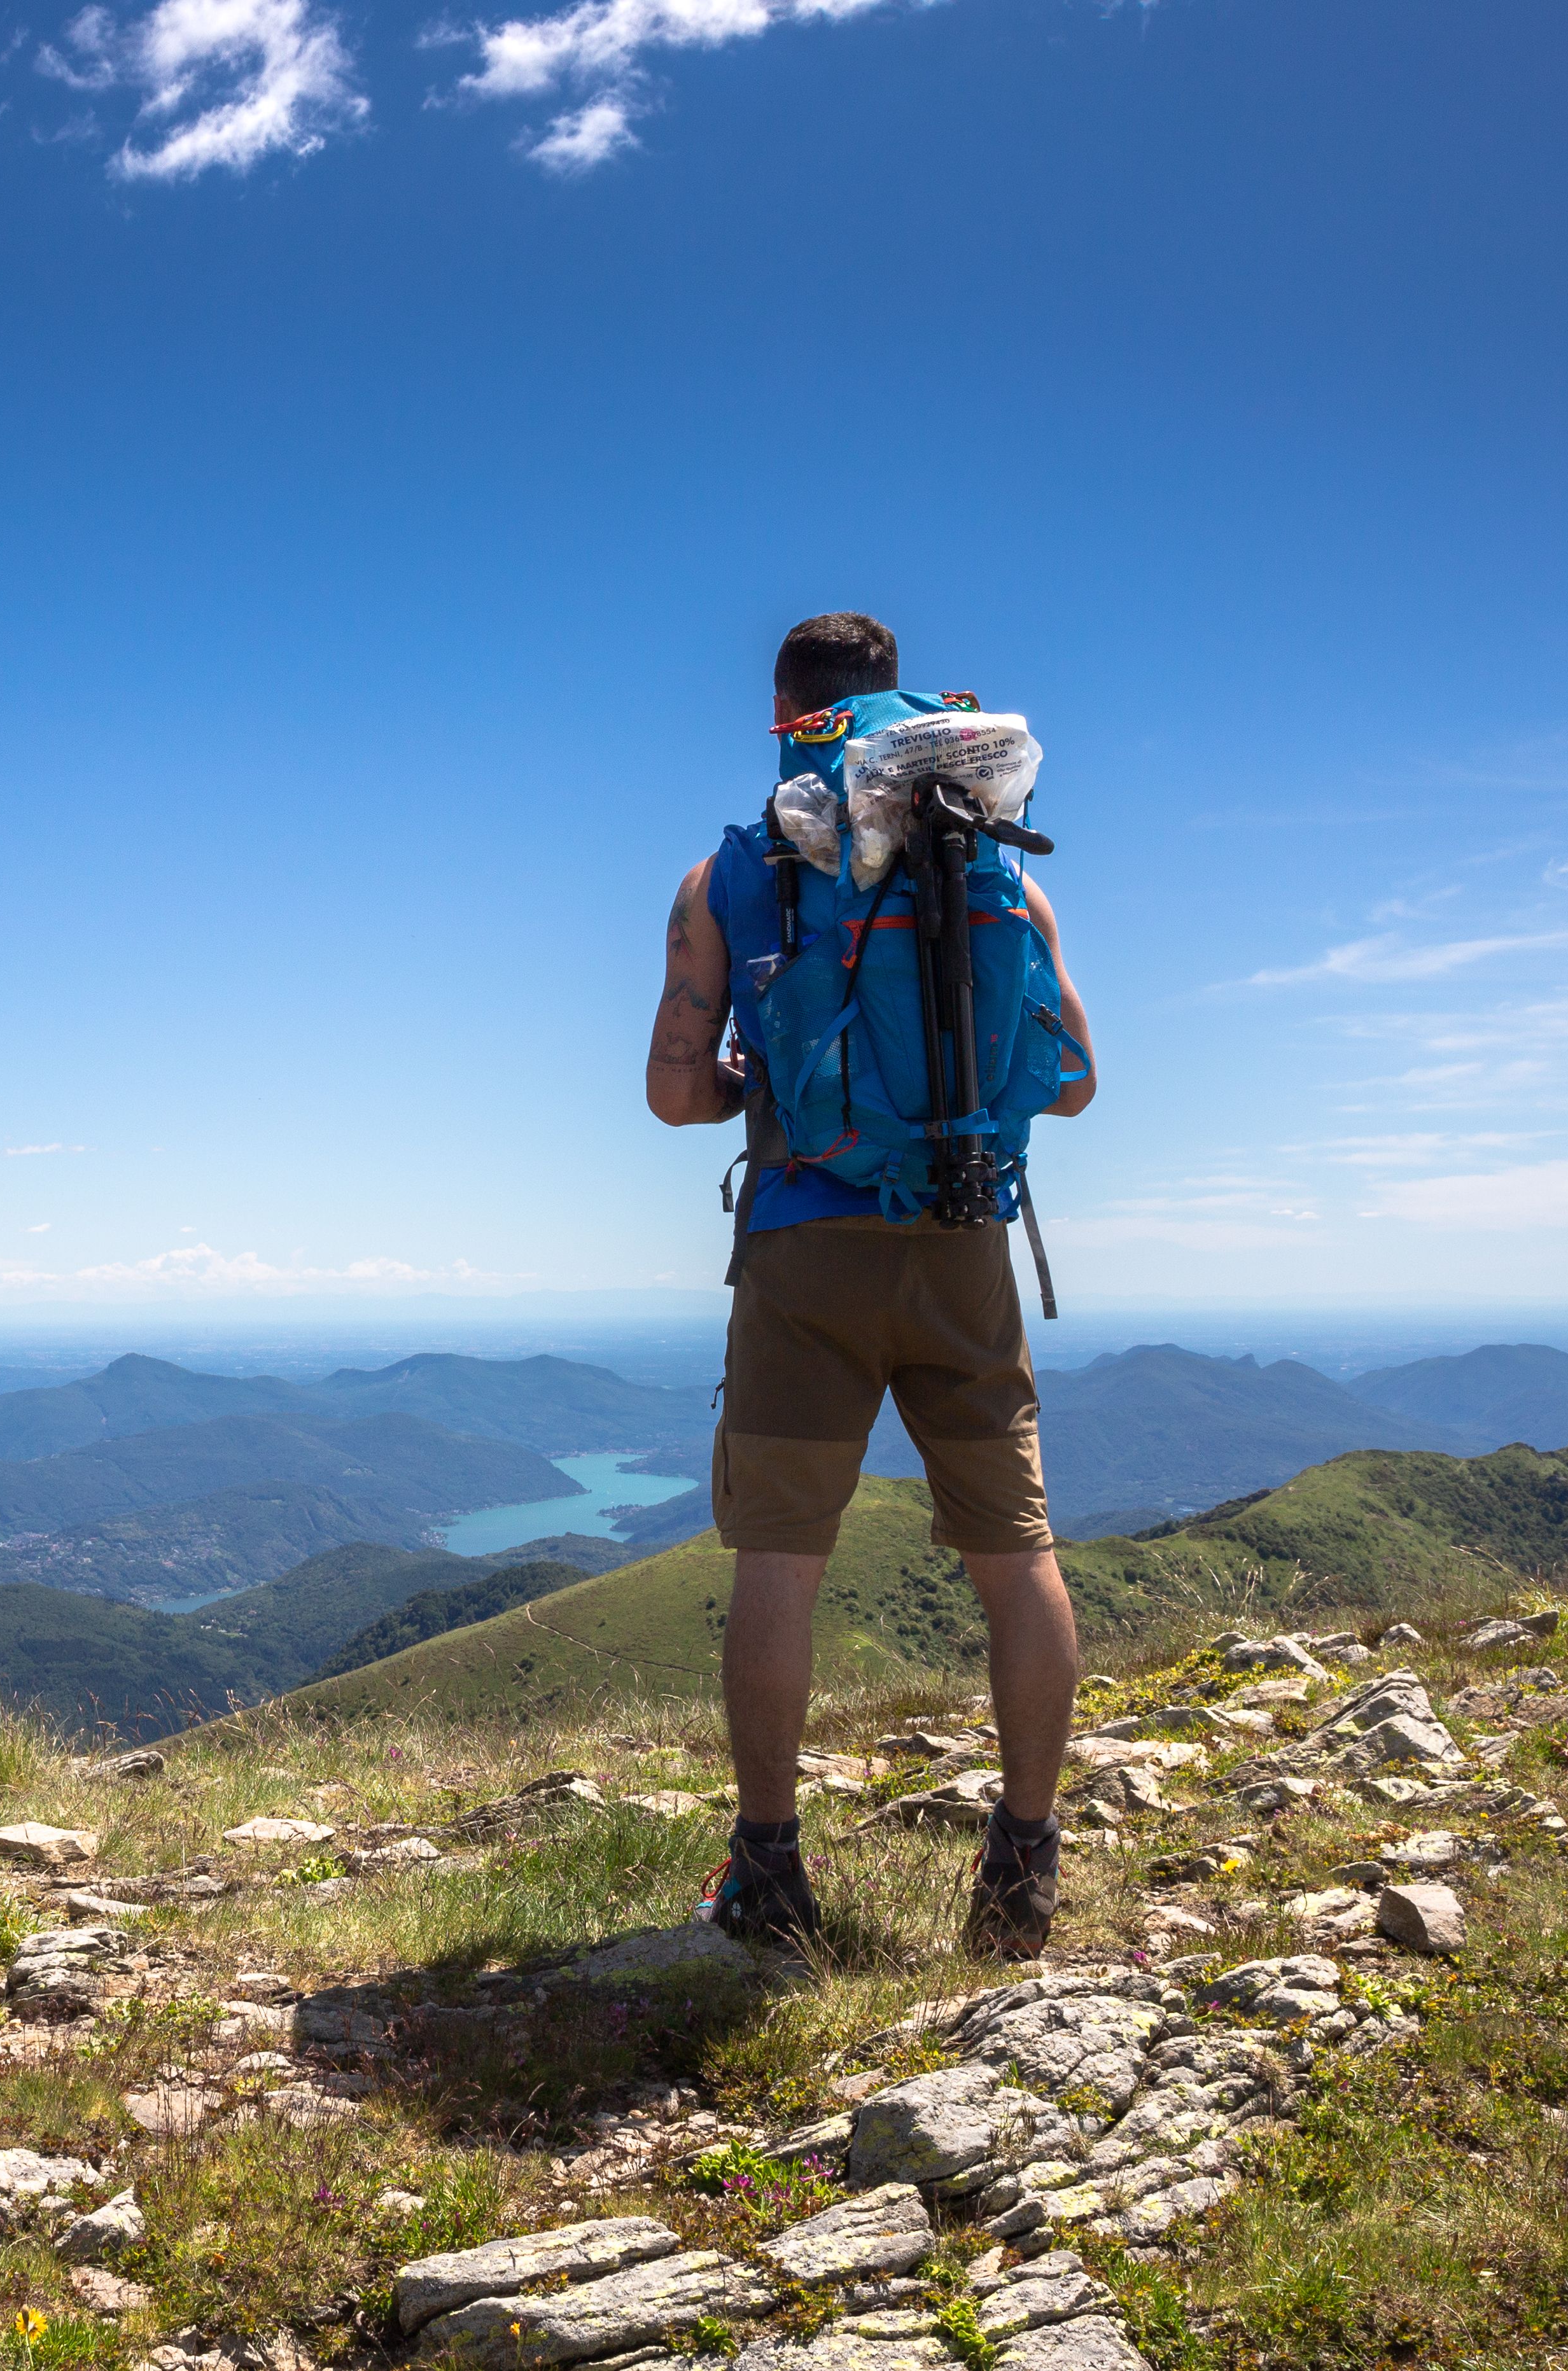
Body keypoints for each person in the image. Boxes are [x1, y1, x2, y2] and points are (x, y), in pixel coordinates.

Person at [643, 610, 1100, 1959]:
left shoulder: (727, 874)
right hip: (963, 1238)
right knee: (1014, 1555)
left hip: (803, 1250)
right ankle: (1020, 1867)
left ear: (785, 712)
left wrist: (769, 1084)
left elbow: (674, 1096)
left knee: (779, 1565)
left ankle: (771, 1873)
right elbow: (1070, 1082)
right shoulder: (998, 872)